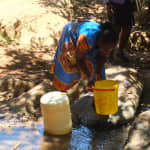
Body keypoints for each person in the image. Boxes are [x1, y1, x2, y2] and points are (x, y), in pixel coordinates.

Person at [49, 18, 118, 92]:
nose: (107, 52)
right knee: (69, 64)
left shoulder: (107, 42)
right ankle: (62, 93)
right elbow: (79, 59)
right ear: (99, 42)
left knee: (98, 76)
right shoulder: (85, 38)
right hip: (72, 35)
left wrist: (98, 71)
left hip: (90, 42)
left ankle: (97, 95)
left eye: (110, 50)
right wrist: (89, 77)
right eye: (105, 50)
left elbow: (102, 57)